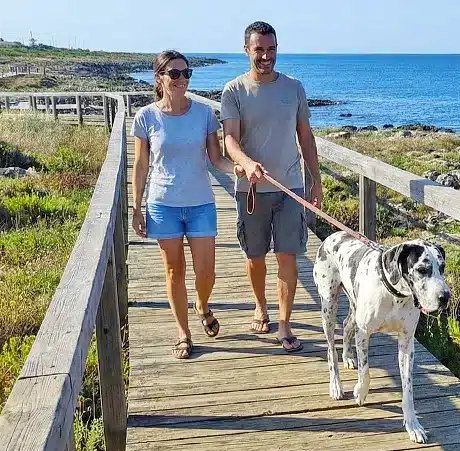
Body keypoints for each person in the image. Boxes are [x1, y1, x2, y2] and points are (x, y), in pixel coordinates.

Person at [130, 50, 263, 359]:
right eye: (174, 73)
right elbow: (140, 165)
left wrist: (238, 168)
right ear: (159, 78)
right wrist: (136, 207)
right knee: (174, 271)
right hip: (163, 204)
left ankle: (201, 304)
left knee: (207, 273)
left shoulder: (203, 113)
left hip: (201, 203)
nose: (181, 79)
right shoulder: (146, 117)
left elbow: (216, 158)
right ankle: (183, 333)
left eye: (186, 73)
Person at [221, 21, 323, 352]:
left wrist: (315, 181)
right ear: (246, 50)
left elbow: (305, 138)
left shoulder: (294, 88)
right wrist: (247, 163)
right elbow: (230, 140)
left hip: (290, 188)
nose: (266, 56)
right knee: (255, 257)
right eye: (259, 50)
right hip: (250, 190)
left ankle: (284, 323)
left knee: (287, 256)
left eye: (271, 49)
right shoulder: (233, 90)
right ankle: (260, 306)